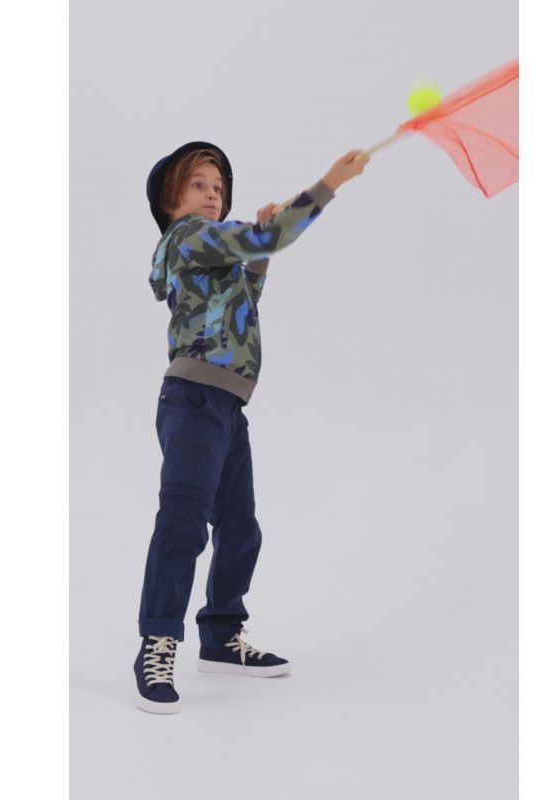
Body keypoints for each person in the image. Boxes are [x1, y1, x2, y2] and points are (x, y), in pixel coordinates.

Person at [134, 140, 369, 714]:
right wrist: (329, 183)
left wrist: (259, 254)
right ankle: (157, 643)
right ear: (170, 201)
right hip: (193, 401)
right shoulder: (188, 237)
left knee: (240, 527)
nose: (212, 195)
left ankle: (220, 635)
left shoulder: (210, 253)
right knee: (184, 524)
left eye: (218, 188)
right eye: (198, 185)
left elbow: (245, 299)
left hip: (227, 407)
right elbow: (266, 238)